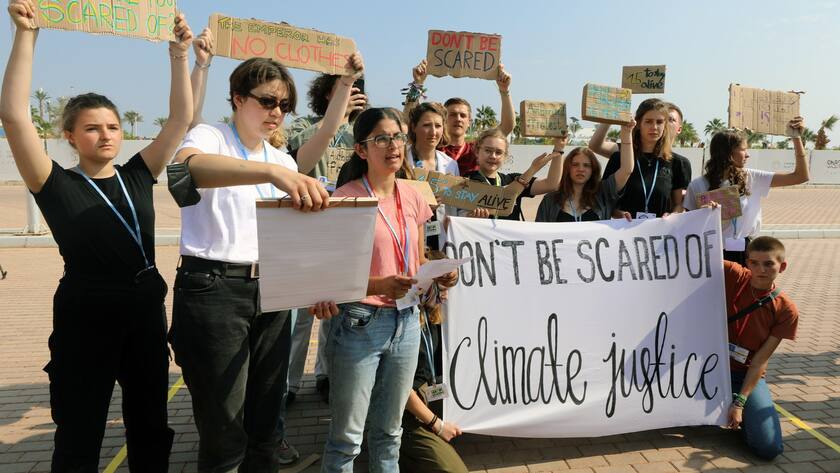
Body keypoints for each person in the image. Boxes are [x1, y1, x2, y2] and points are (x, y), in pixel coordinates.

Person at [0, 2, 193, 470]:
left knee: (150, 424)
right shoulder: (53, 182)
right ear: (69, 136)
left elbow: (179, 120)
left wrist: (179, 54)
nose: (105, 135)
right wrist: (27, 34)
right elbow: (14, 117)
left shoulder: (138, 174)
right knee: (80, 427)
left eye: (112, 126)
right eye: (91, 128)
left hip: (144, 312)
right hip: (86, 317)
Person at [170, 51, 341, 471]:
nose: (276, 112)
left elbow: (296, 237)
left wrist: (316, 285)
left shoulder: (281, 160)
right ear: (237, 98)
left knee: (266, 417)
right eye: (267, 101)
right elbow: (187, 169)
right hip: (214, 288)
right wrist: (270, 174)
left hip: (273, 291)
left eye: (284, 104)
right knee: (224, 425)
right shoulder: (211, 136)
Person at [323, 108, 456, 472]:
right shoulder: (345, 199)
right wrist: (380, 285)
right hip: (359, 322)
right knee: (347, 441)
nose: (393, 145)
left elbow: (416, 260)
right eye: (381, 138)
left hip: (407, 321)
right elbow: (331, 275)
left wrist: (437, 275)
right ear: (361, 150)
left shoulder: (413, 196)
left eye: (397, 136)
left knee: (389, 433)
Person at [685, 119, 809, 264]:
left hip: (747, 253)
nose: (747, 154)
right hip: (711, 254)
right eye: (743, 149)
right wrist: (704, 215)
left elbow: (800, 176)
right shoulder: (697, 185)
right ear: (728, 153)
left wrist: (796, 138)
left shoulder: (752, 177)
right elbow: (688, 226)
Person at [722, 236, 798, 460]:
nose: (760, 270)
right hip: (707, 368)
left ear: (782, 266)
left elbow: (759, 362)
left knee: (769, 448)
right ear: (747, 262)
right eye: (754, 263)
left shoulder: (786, 310)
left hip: (743, 374)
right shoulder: (734, 274)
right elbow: (695, 251)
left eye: (768, 264)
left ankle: (739, 414)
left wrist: (740, 402)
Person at [399, 252, 468, 473]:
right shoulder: (403, 324)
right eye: (442, 289)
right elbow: (400, 390)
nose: (446, 296)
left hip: (425, 402)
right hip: (405, 413)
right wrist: (437, 426)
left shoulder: (430, 313)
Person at [404, 59, 514, 175]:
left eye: (463, 115)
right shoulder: (430, 144)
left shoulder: (477, 149)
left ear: (470, 121)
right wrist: (418, 83)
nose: (458, 119)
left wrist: (504, 90)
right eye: (452, 114)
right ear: (444, 120)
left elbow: (507, 126)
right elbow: (408, 121)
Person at [589, 98, 688, 218]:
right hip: (624, 228)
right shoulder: (619, 158)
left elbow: (679, 205)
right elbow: (606, 201)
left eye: (659, 122)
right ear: (639, 123)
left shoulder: (677, 162)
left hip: (660, 228)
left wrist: (672, 215)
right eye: (648, 121)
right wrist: (619, 214)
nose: (654, 127)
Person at [536, 121, 636, 222]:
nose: (581, 169)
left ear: (593, 170)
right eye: (575, 164)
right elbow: (539, 230)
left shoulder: (603, 193)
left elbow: (627, 170)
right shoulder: (550, 200)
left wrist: (626, 133)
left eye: (586, 165)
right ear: (567, 168)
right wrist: (558, 147)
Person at [463, 128, 566, 221]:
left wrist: (559, 149)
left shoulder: (512, 179)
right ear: (477, 151)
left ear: (505, 156)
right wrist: (532, 169)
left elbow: (551, 184)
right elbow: (506, 194)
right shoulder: (467, 180)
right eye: (488, 150)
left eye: (498, 152)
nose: (493, 156)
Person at [407, 101, 459, 250]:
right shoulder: (402, 160)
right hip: (410, 237)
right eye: (426, 125)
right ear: (413, 127)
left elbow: (456, 207)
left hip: (442, 240)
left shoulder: (450, 164)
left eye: (438, 126)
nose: (433, 132)